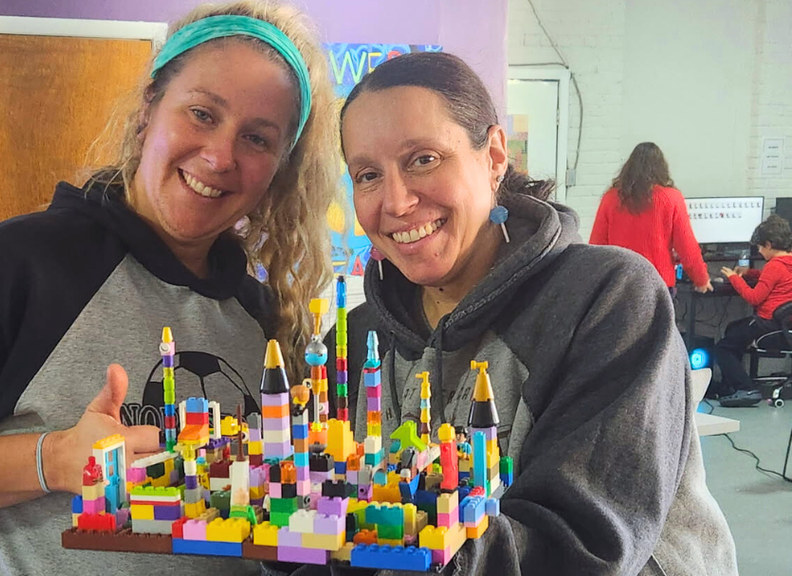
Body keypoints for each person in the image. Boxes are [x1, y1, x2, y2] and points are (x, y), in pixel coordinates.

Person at [0, 3, 339, 575]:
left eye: (257, 139)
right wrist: (54, 460)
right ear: (149, 109)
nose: (220, 156)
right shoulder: (12, 268)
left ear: (280, 167)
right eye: (201, 113)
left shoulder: (261, 317)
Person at [327, 51, 737, 575]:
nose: (397, 201)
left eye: (423, 159)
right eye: (367, 175)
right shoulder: (359, 338)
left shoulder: (605, 300)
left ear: (495, 156)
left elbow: (585, 548)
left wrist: (403, 540)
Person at [590, 142, 711, 295]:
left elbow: (597, 245)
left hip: (619, 284)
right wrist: (701, 279)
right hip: (658, 284)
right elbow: (687, 246)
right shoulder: (672, 198)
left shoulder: (610, 198)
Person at [714, 215, 792, 407]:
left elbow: (754, 297)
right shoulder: (786, 263)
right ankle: (733, 385)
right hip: (783, 325)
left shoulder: (774, 266)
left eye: (760, 247)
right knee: (733, 329)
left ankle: (746, 388)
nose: (759, 251)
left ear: (769, 244)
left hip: (767, 324)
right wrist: (750, 273)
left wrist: (734, 278)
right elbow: (774, 280)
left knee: (723, 347)